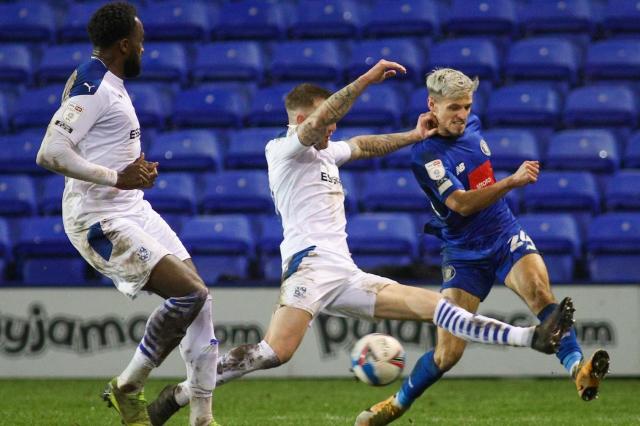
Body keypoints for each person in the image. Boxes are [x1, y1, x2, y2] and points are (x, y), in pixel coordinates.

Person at [146, 60, 574, 425]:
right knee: (275, 352)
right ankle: (181, 394)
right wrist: (368, 79)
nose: (333, 126)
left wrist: (412, 135)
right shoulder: (283, 150)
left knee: (439, 310)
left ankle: (529, 338)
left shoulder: (325, 153)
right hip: (309, 268)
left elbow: (366, 145)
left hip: (345, 272)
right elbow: (322, 119)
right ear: (300, 122)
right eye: (324, 119)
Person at [356, 68, 610, 425]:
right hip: (463, 253)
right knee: (448, 354)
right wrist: (513, 181)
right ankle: (397, 403)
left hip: (504, 234)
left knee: (541, 295)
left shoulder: (471, 124)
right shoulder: (426, 156)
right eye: (454, 108)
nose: (462, 114)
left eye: (466, 106)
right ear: (433, 105)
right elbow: (459, 203)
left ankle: (578, 370)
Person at [35, 3, 219, 426]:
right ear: (124, 45)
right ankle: (127, 386)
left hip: (130, 206)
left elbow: (97, 144)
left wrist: (133, 168)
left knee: (201, 299)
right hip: (98, 216)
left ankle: (202, 419)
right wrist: (117, 176)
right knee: (188, 294)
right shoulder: (97, 86)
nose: (144, 47)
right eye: (140, 41)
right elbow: (50, 152)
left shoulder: (105, 79)